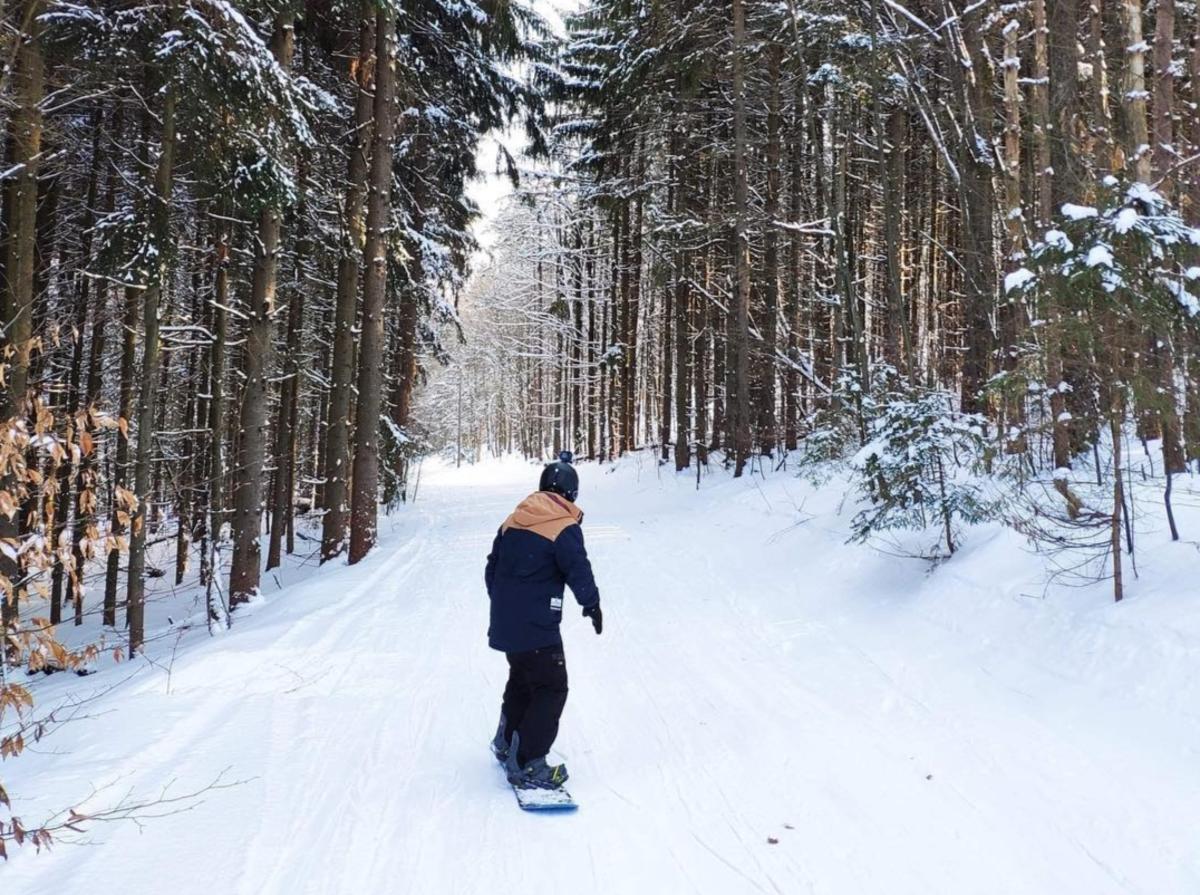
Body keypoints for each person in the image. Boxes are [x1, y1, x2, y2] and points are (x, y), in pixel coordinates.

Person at [485, 451, 602, 789]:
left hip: (509, 621)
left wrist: (504, 604)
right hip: (537, 626)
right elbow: (578, 568)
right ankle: (528, 762)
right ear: (571, 493)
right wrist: (591, 604)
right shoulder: (562, 526)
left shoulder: (512, 520)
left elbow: (491, 567)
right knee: (552, 687)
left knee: (522, 680)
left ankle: (507, 741)